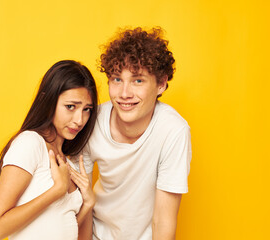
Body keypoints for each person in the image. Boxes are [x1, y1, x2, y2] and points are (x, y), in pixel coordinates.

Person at [77, 27, 192, 240]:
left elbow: (164, 220)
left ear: (161, 84)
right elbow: (78, 201)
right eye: (117, 79)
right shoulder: (91, 120)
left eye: (138, 80)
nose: (124, 94)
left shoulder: (173, 130)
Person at [0, 60, 98, 240]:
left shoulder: (71, 162)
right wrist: (56, 191)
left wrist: (88, 205)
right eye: (71, 107)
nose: (79, 119)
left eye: (87, 109)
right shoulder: (30, 143)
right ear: (49, 100)